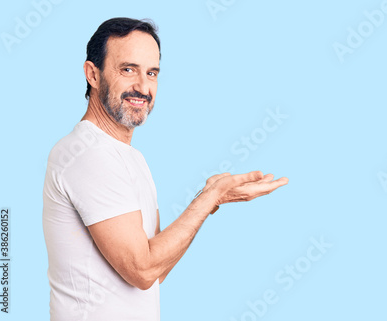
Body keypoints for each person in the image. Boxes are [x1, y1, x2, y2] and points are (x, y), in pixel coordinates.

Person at [42, 17, 288, 321]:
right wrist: (208, 199)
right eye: (128, 69)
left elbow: (156, 271)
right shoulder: (87, 154)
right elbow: (142, 271)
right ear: (93, 74)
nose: (143, 87)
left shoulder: (131, 158)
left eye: (152, 73)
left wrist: (211, 198)